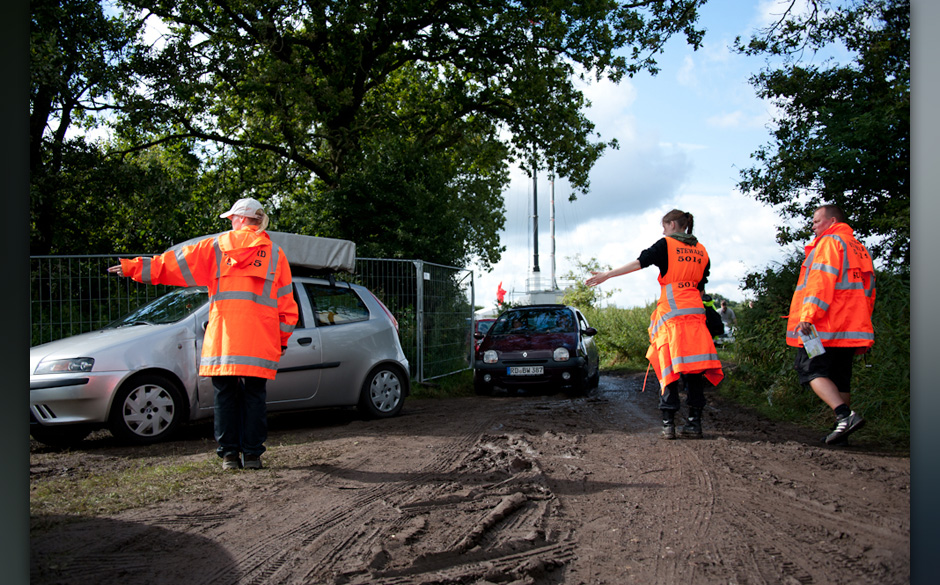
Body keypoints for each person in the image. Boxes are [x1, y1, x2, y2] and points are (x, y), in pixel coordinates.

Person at [109, 197, 299, 469]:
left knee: (225, 396)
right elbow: (286, 305)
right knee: (254, 396)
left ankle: (230, 456)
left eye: (233, 218)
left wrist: (134, 267)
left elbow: (172, 265)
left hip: (224, 339)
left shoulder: (216, 247)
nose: (231, 222)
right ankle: (253, 455)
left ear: (242, 219)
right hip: (259, 341)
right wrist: (280, 340)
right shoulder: (275, 255)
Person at [586, 209, 723, 439]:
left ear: (671, 225)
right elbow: (701, 287)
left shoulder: (667, 245)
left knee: (668, 370)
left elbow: (640, 262)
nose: (663, 231)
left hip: (671, 319)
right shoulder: (702, 251)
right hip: (697, 320)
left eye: (664, 226)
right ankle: (694, 423)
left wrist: (607, 274)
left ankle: (668, 424)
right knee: (695, 370)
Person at [786, 204, 875, 445]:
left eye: (816, 221)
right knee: (840, 378)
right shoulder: (859, 248)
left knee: (811, 371)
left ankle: (845, 416)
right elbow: (869, 290)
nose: (813, 226)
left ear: (832, 221)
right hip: (851, 328)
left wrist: (808, 316)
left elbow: (820, 283)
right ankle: (843, 431)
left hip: (823, 326)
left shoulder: (828, 243)